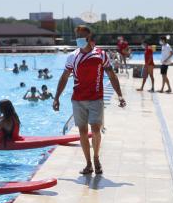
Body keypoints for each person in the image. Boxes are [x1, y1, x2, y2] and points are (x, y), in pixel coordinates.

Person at [53, 25, 126, 175]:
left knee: (96, 130)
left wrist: (119, 95)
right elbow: (64, 77)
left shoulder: (100, 55)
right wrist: (56, 97)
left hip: (95, 99)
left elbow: (112, 75)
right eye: (77, 35)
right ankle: (88, 164)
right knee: (83, 132)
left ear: (88, 37)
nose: (78, 38)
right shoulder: (72, 57)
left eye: (81, 36)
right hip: (78, 100)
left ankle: (96, 158)